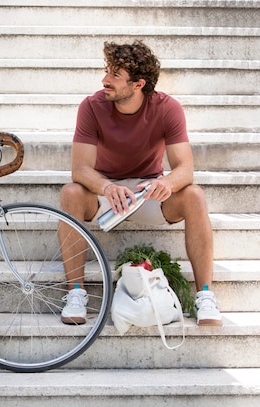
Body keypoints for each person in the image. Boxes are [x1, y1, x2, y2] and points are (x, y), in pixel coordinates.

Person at [59, 40, 222, 327]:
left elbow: (185, 169)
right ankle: (75, 293)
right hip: (105, 192)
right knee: (71, 193)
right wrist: (107, 187)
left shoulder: (167, 108)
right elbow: (80, 169)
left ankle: (205, 296)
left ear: (138, 84)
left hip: (147, 194)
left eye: (114, 76)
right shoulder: (91, 106)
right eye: (107, 72)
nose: (105, 80)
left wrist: (167, 183)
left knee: (194, 195)